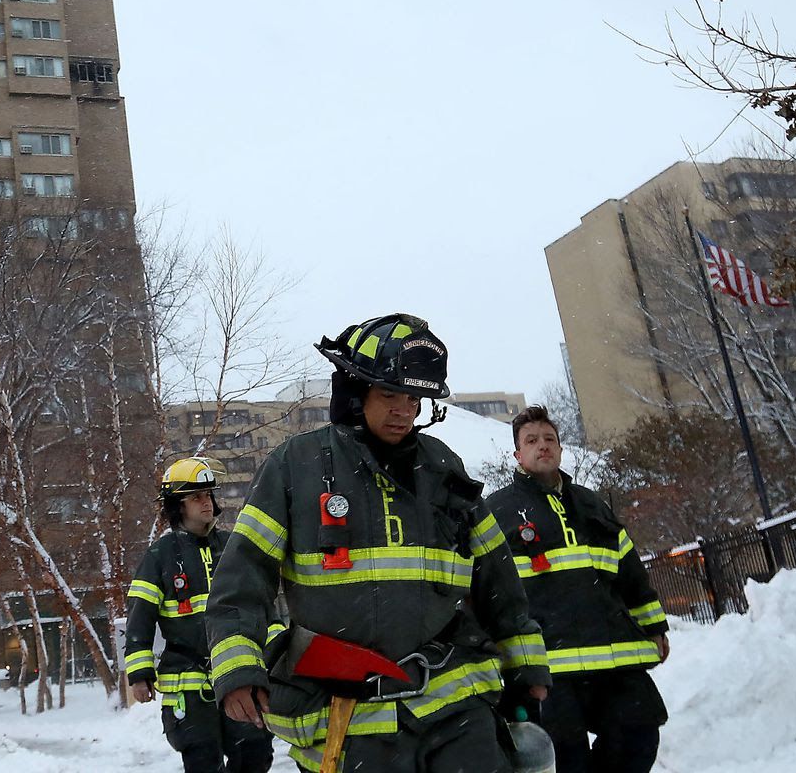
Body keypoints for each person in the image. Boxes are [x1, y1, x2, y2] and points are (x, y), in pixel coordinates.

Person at [207, 314, 550, 772]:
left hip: (455, 704)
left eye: (413, 398)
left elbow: (497, 579)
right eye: (389, 394)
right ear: (354, 392)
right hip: (348, 717)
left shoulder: (444, 467)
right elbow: (242, 578)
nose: (403, 411)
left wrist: (526, 665)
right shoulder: (297, 465)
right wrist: (236, 668)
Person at [486, 406, 669, 773]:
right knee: (567, 760)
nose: (543, 446)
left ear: (560, 448)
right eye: (532, 440)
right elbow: (489, 591)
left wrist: (655, 626)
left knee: (639, 736)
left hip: (616, 657)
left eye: (549, 439)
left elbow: (629, 571)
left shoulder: (592, 504)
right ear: (517, 455)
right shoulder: (497, 511)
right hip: (549, 667)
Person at [125, 457, 275, 773]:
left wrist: (276, 653)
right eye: (197, 497)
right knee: (202, 761)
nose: (207, 503)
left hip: (239, 674)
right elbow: (140, 616)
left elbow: (259, 603)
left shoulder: (232, 547)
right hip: (189, 687)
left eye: (208, 495)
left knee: (254, 755)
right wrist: (139, 673)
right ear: (177, 506)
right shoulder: (159, 556)